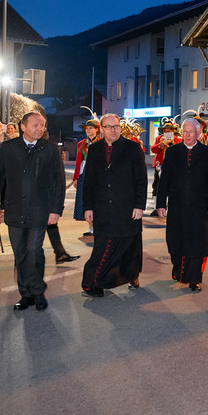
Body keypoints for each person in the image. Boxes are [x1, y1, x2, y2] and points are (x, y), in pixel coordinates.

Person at [0, 112, 65, 311]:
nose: (40, 129)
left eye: (43, 125)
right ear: (23, 126)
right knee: (20, 254)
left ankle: (38, 292)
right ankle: (26, 294)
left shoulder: (49, 149)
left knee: (34, 250)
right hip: (14, 210)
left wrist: (56, 209)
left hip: (40, 210)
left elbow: (59, 182)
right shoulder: (8, 148)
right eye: (35, 125)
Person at [81, 113, 147, 297]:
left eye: (116, 126)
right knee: (102, 247)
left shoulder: (133, 148)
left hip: (127, 208)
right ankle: (94, 282)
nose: (113, 130)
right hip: (103, 209)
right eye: (109, 127)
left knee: (129, 246)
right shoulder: (93, 150)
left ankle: (131, 275)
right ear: (101, 129)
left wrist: (139, 205)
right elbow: (89, 182)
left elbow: (141, 180)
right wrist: (88, 207)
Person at [157, 118, 208, 291]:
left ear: (198, 134)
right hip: (177, 205)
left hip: (200, 206)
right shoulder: (171, 152)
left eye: (191, 131)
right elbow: (164, 181)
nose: (187, 135)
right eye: (185, 131)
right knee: (176, 241)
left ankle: (194, 279)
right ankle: (179, 270)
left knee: (197, 242)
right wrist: (161, 203)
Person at [70, 119, 100, 235]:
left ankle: (98, 226)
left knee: (97, 200)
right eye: (87, 129)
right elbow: (79, 161)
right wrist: (76, 177)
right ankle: (90, 226)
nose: (89, 130)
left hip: (98, 174)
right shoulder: (82, 143)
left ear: (97, 130)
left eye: (91, 128)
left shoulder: (102, 142)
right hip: (84, 173)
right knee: (86, 200)